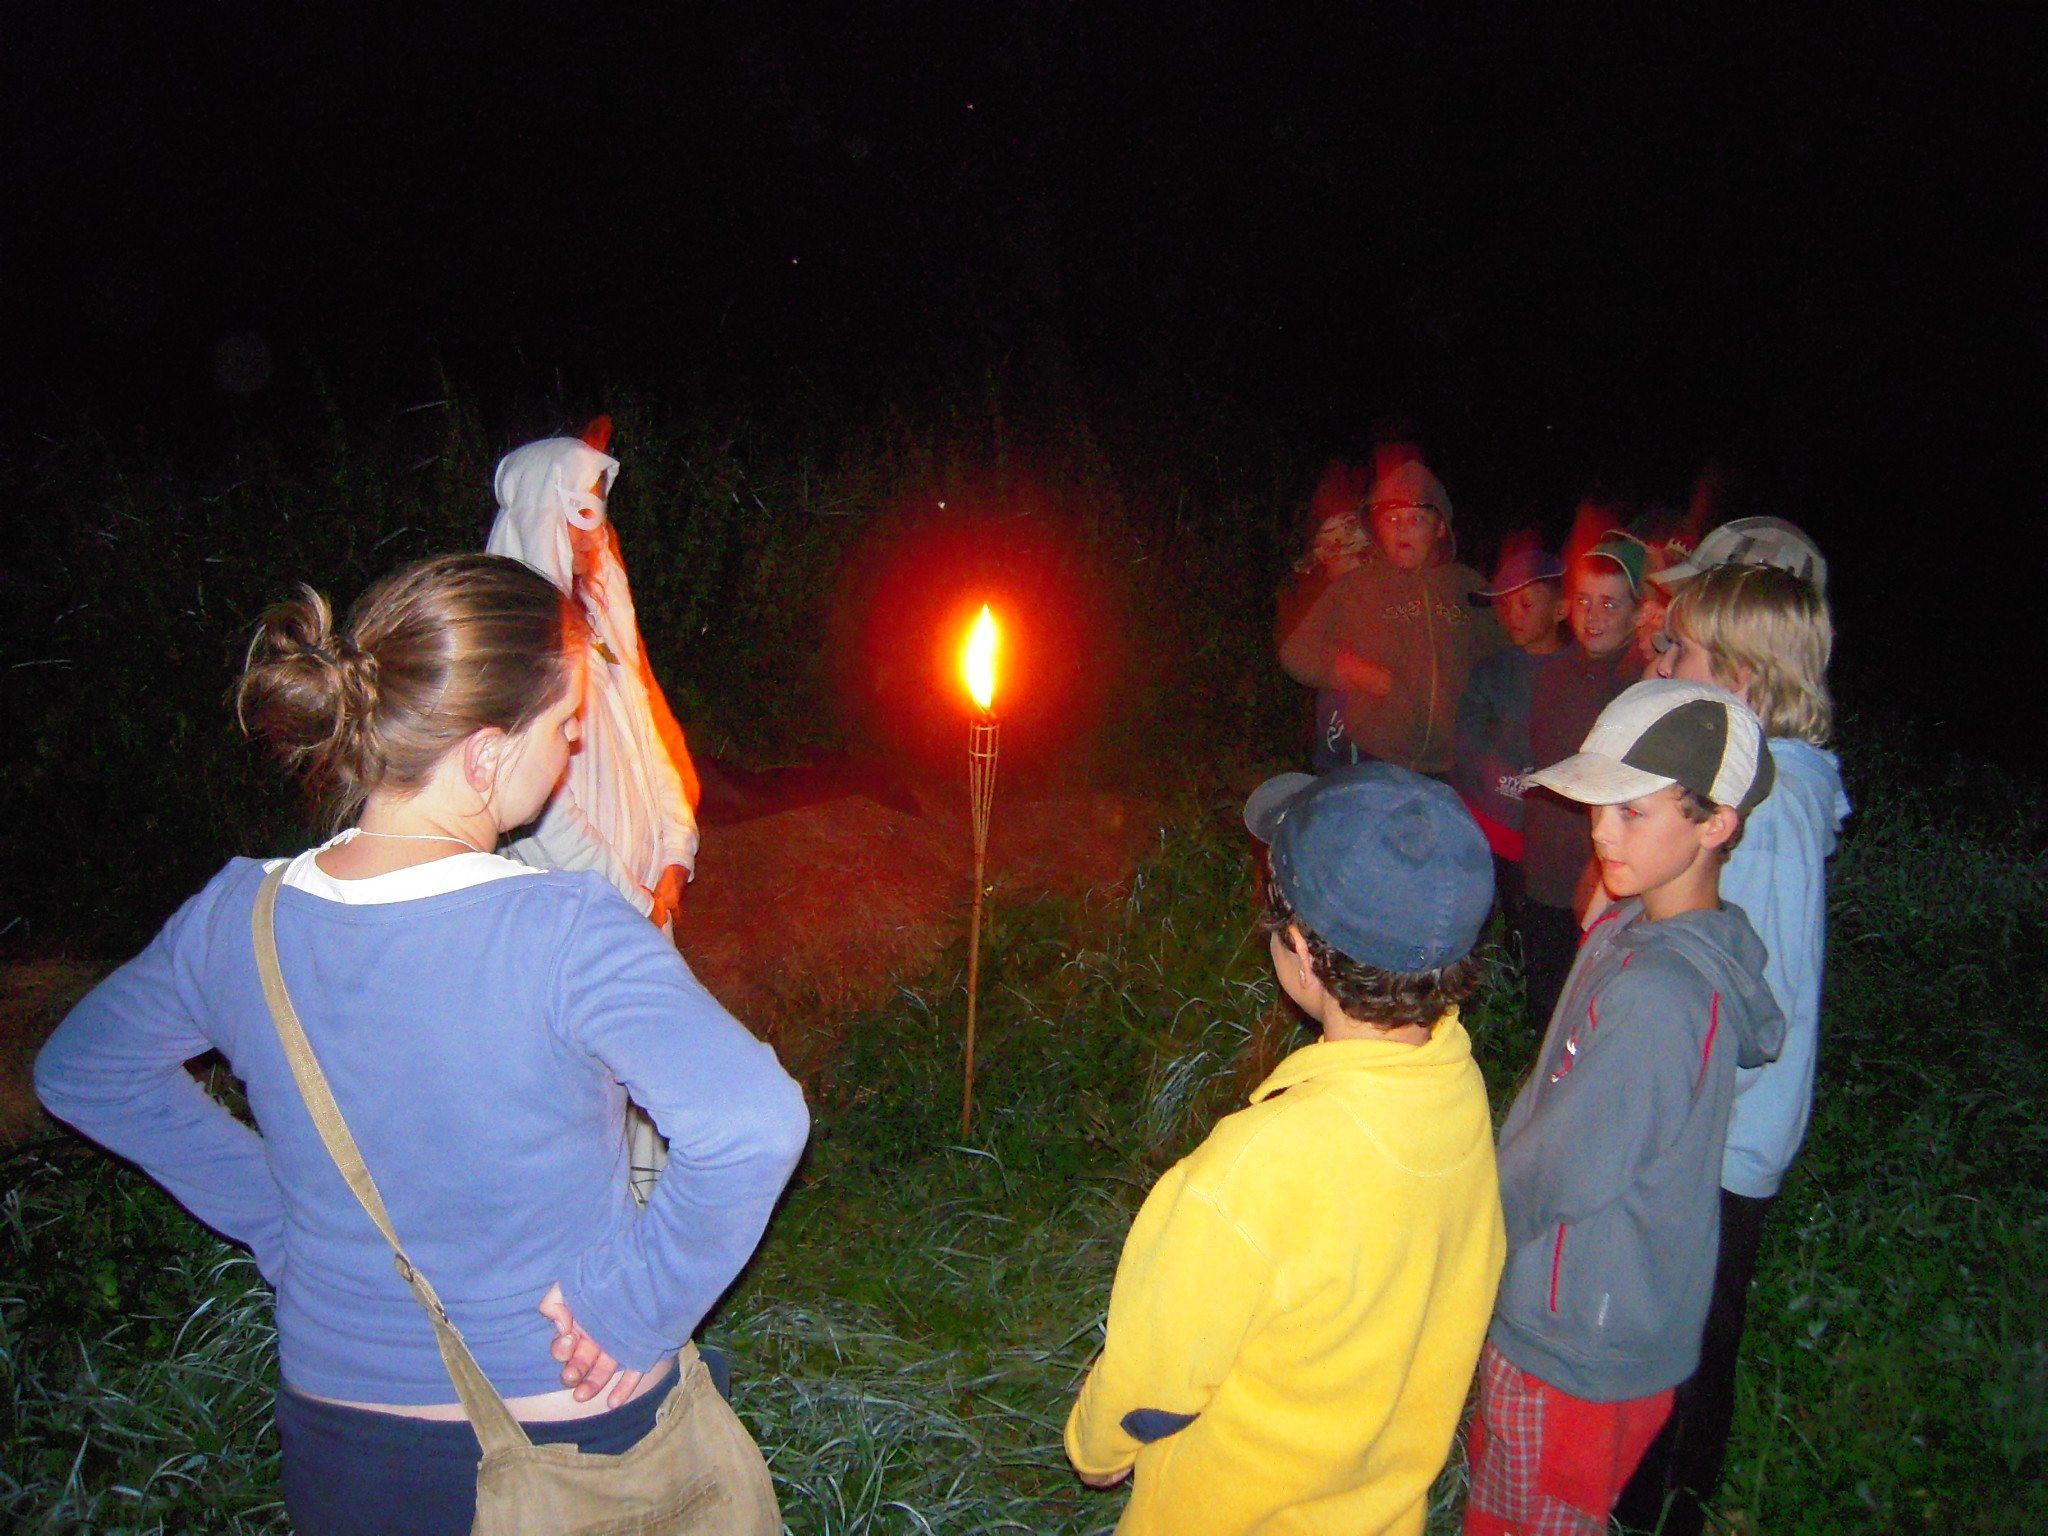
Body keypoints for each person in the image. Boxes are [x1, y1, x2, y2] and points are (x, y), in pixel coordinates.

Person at [35, 554, 809, 1535]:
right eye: (564, 726)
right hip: (577, 1441)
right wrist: (636, 1306)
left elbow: (83, 1071)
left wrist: (275, 1214)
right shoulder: (565, 930)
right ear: (485, 757)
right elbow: (753, 1124)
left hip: (345, 1449)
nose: (574, 746)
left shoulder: (237, 920)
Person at [1066, 763, 1505, 1535]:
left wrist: (1098, 1447)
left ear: (1302, 953)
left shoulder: (1258, 1167)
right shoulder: (1455, 1089)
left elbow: (1156, 1371)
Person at [1463, 679, 1786, 1536]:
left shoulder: (1663, 994)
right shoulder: (1634, 926)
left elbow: (1567, 1165)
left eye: (1632, 812)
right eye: (1598, 804)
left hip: (1577, 1337)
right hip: (1572, 1305)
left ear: (1716, 824)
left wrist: (1459, 1233)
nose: (1600, 831)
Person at [1612, 551, 1849, 1536]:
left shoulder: (1770, 816)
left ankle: (1663, 1511)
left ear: (1741, 682)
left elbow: (1760, 1010)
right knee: (1678, 1327)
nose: (1664, 663)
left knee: (1690, 1346)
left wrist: (1667, 1106)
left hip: (1720, 1136)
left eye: (1683, 652)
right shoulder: (1750, 792)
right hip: (1705, 1121)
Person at [487, 424, 706, 1201]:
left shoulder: (600, 619)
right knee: (585, 1099)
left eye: (600, 516)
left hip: (645, 903)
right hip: (582, 916)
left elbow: (651, 732)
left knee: (653, 1084)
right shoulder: (511, 646)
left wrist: (675, 852)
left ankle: (648, 1236)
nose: (595, 535)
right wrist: (632, 900)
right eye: (580, 516)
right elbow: (540, 819)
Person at [1279, 455, 1504, 776]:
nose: (1402, 529)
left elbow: (1502, 655)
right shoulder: (1356, 587)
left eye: (1417, 519)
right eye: (1391, 519)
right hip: (1373, 754)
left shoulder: (1470, 587)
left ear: (1440, 527)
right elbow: (1296, 651)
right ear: (1376, 528)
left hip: (1454, 765)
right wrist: (1351, 669)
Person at [1517, 536, 1643, 1030]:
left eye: (1610, 604)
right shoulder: (1553, 674)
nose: (1593, 616)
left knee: (1594, 994)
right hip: (1546, 856)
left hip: (1603, 864)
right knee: (1543, 988)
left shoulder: (1640, 683)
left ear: (1638, 613)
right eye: (1584, 601)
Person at [1452, 541, 1567, 944]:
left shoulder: (1577, 673)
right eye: (1504, 606)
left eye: (1526, 605)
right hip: (1487, 823)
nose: (1511, 616)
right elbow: (1467, 735)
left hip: (1538, 834)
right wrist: (1490, 768)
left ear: (1560, 609)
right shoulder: (1491, 670)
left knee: (1529, 929)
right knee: (1481, 922)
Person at [1276, 459, 1375, 770]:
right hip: (1337, 743)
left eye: (1339, 557)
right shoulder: (1328, 604)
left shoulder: (1383, 603)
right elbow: (1296, 653)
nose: (1330, 567)